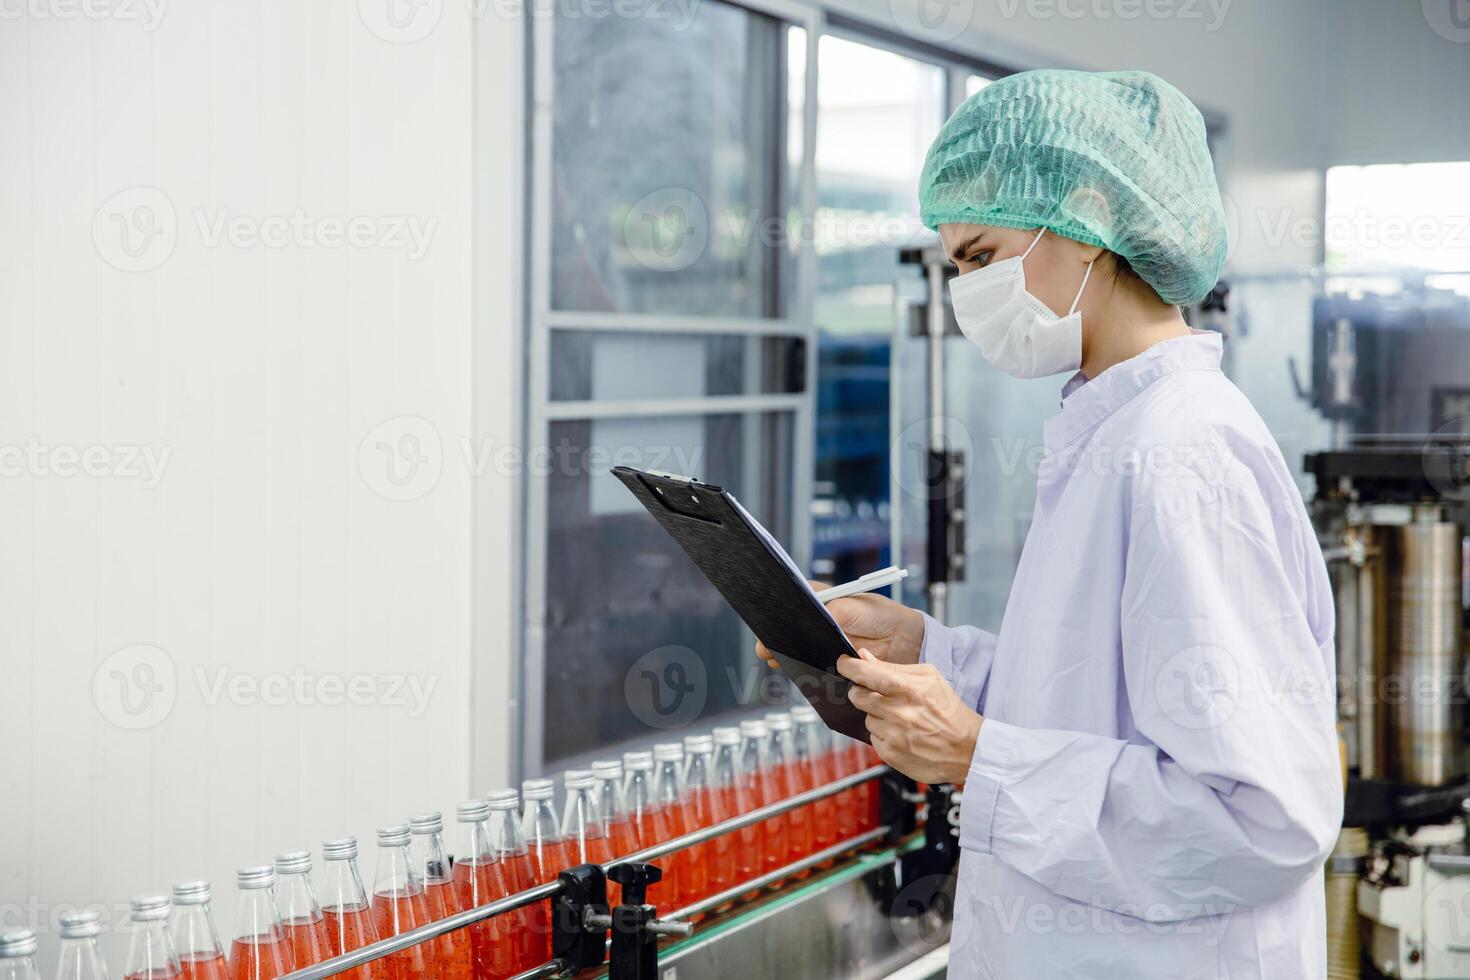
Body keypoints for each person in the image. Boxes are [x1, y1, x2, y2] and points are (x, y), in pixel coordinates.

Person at [758, 70, 1341, 978]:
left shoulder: (1181, 453)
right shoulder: (1112, 430)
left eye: (980, 257)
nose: (966, 296)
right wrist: (930, 655)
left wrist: (979, 758)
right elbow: (1097, 702)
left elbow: (1261, 821)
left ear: (1089, 215)